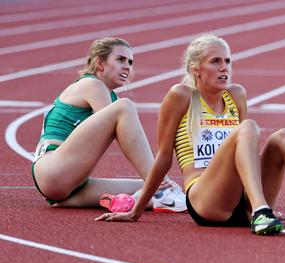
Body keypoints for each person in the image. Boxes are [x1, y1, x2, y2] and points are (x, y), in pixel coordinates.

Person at [96, 34, 285, 236]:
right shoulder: (181, 96)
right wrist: (137, 208)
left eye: (228, 61)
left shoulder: (236, 94)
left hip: (243, 201)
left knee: (283, 137)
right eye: (215, 62)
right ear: (196, 70)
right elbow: (163, 157)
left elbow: (245, 152)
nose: (225, 67)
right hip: (207, 199)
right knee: (248, 128)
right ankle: (262, 210)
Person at [31, 37, 186, 212]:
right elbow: (121, 131)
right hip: (54, 169)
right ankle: (161, 187)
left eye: (130, 62)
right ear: (100, 63)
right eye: (120, 59)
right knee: (125, 107)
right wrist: (159, 179)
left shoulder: (112, 100)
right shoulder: (92, 85)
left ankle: (151, 194)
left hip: (73, 184)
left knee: (147, 188)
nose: (127, 66)